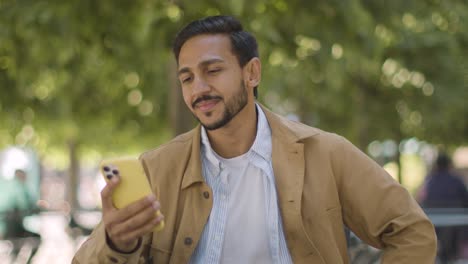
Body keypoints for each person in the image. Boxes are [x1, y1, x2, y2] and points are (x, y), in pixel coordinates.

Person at [73, 15, 436, 263]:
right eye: (187, 78)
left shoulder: (326, 153)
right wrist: (117, 244)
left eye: (212, 70)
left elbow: (412, 231)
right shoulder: (155, 169)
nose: (199, 88)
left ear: (252, 72)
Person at [419, 153, 468, 262]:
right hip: (456, 229)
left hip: (434, 228)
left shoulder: (429, 182)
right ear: (450, 165)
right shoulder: (457, 181)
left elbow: (422, 201)